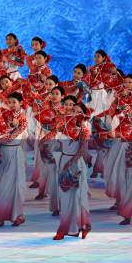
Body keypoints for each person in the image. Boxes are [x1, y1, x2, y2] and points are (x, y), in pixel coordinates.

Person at [0, 92, 27, 228]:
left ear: (21, 103)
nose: (11, 105)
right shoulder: (3, 115)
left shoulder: (23, 119)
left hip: (15, 152)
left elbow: (11, 137)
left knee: (14, 185)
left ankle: (17, 216)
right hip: (2, 152)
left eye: (14, 102)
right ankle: (0, 217)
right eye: (9, 102)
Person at [54, 97, 91, 240]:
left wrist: (70, 163)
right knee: (65, 197)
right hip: (64, 160)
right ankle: (65, 228)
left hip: (76, 164)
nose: (75, 114)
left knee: (77, 197)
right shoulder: (64, 125)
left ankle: (80, 226)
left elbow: (82, 150)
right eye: (73, 110)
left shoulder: (84, 129)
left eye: (79, 112)